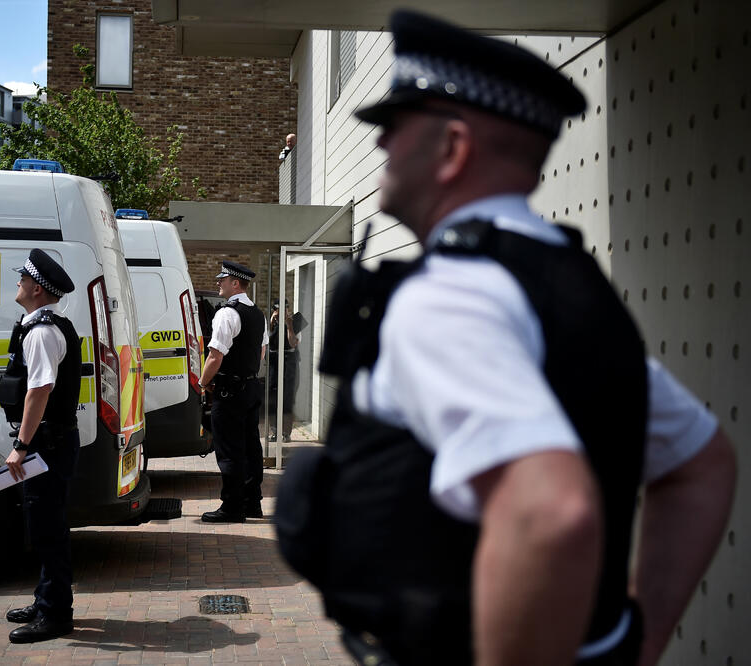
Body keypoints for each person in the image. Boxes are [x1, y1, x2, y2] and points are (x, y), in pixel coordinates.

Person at [281, 10, 736, 666]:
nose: (379, 145)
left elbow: (550, 511)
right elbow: (702, 462)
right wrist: (639, 642)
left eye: (395, 125)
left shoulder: (449, 295)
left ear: (452, 148)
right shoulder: (569, 287)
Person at [1, 249, 81, 644]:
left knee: (48, 529)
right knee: (44, 525)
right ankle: (45, 599)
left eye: (22, 278)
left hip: (47, 445)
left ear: (36, 288)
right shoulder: (48, 325)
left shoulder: (43, 332)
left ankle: (54, 615)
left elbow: (39, 391)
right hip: (52, 443)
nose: (17, 282)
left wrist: (21, 445)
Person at [198, 260, 269, 522]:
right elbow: (260, 351)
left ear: (235, 283)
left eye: (222, 280)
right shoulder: (258, 314)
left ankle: (232, 507)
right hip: (251, 386)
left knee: (229, 450)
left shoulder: (227, 313)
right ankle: (253, 503)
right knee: (251, 446)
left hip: (230, 391)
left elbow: (215, 356)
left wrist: (202, 383)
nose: (218, 283)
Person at [266, 302, 304, 442]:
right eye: (277, 309)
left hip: (290, 363)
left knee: (288, 398)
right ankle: (274, 431)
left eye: (284, 308)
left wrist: (289, 326)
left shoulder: (296, 321)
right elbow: (266, 341)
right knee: (272, 397)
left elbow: (293, 342)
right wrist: (271, 322)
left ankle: (286, 433)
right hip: (274, 364)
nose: (280, 312)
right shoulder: (270, 323)